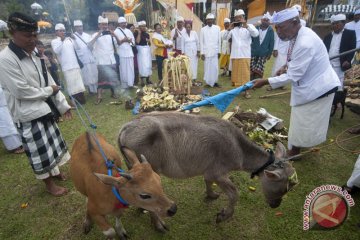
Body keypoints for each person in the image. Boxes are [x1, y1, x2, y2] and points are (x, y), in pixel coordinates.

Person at [252, 8, 341, 157]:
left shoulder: (305, 41)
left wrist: (265, 81)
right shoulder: (298, 34)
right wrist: (286, 66)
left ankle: (294, 151)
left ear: (294, 22)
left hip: (318, 87)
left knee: (303, 120)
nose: (278, 32)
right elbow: (295, 60)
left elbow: (293, 76)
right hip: (311, 84)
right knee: (302, 119)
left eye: (281, 27)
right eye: (276, 28)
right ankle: (299, 144)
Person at [0, 12, 72, 196]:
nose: (33, 39)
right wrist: (51, 91)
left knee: (51, 145)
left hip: (44, 108)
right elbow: (21, 91)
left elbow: (47, 80)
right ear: (12, 32)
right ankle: (49, 185)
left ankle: (54, 171)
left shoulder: (32, 54)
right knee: (39, 151)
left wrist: (62, 104)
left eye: (35, 34)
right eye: (27, 35)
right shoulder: (5, 59)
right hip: (27, 114)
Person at [51, 23, 86, 104]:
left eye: (63, 31)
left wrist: (75, 39)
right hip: (66, 67)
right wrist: (62, 40)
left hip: (75, 65)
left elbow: (78, 48)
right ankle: (73, 101)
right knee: (71, 85)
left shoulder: (69, 39)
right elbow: (57, 51)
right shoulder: (55, 41)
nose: (62, 32)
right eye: (60, 31)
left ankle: (81, 99)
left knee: (79, 83)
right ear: (56, 32)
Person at [88, 16, 120, 105]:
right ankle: (99, 96)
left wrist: (115, 35)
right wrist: (99, 34)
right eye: (103, 24)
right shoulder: (95, 34)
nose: (105, 26)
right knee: (101, 79)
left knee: (112, 77)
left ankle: (113, 93)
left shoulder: (111, 34)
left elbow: (119, 43)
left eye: (106, 24)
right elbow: (89, 46)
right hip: (101, 61)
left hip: (111, 59)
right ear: (99, 25)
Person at [229, 9, 259, 97]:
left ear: (244, 17)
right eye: (237, 18)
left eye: (240, 17)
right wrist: (228, 29)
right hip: (235, 55)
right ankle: (237, 90)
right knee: (236, 75)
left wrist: (247, 26)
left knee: (245, 75)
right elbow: (225, 38)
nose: (238, 19)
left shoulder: (249, 26)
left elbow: (256, 34)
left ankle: (246, 91)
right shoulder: (233, 29)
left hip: (245, 55)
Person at [323, 14, 356, 90]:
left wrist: (348, 60)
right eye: (334, 24)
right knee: (328, 83)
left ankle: (338, 100)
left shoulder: (350, 34)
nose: (335, 25)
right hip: (328, 64)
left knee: (338, 84)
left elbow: (352, 48)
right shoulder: (328, 36)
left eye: (338, 23)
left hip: (340, 64)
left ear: (343, 24)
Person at [73, 20, 98, 94]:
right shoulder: (73, 36)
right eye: (77, 27)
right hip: (83, 58)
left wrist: (91, 47)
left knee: (94, 73)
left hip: (90, 57)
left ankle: (96, 88)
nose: (79, 28)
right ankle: (90, 90)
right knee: (87, 75)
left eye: (80, 26)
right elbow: (75, 48)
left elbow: (92, 46)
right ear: (75, 28)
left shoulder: (87, 35)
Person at [0, 83, 24, 154]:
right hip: (2, 107)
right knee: (6, 127)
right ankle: (14, 146)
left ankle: (19, 144)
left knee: (10, 125)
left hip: (5, 106)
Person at [250, 12, 274, 80]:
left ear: (269, 22)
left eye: (267, 20)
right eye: (264, 20)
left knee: (259, 68)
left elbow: (271, 43)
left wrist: (269, 54)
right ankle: (250, 81)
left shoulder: (271, 30)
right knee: (252, 67)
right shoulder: (255, 28)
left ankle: (257, 81)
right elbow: (250, 39)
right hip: (253, 51)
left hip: (263, 53)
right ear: (261, 20)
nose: (265, 21)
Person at [200, 13, 221, 88]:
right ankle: (208, 82)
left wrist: (219, 51)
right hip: (206, 52)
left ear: (213, 20)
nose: (209, 21)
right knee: (207, 68)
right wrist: (202, 53)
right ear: (206, 20)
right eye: (208, 20)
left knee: (215, 67)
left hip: (215, 52)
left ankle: (215, 82)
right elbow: (201, 42)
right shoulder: (203, 29)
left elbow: (219, 41)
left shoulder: (217, 28)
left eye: (211, 19)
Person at [114, 17, 135, 88]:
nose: (124, 24)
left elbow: (133, 43)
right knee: (123, 69)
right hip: (122, 53)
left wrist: (130, 41)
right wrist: (124, 40)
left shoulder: (129, 31)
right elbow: (115, 44)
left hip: (129, 52)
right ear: (119, 24)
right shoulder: (116, 32)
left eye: (124, 23)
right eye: (122, 23)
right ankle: (124, 85)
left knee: (131, 69)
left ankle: (131, 83)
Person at [134, 21, 152, 86]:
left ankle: (148, 79)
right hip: (140, 50)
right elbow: (137, 42)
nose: (144, 27)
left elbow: (149, 44)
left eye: (144, 26)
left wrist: (149, 41)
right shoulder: (136, 33)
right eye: (142, 26)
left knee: (148, 64)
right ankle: (142, 80)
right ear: (139, 27)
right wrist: (139, 33)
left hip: (146, 50)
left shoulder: (147, 34)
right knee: (142, 65)